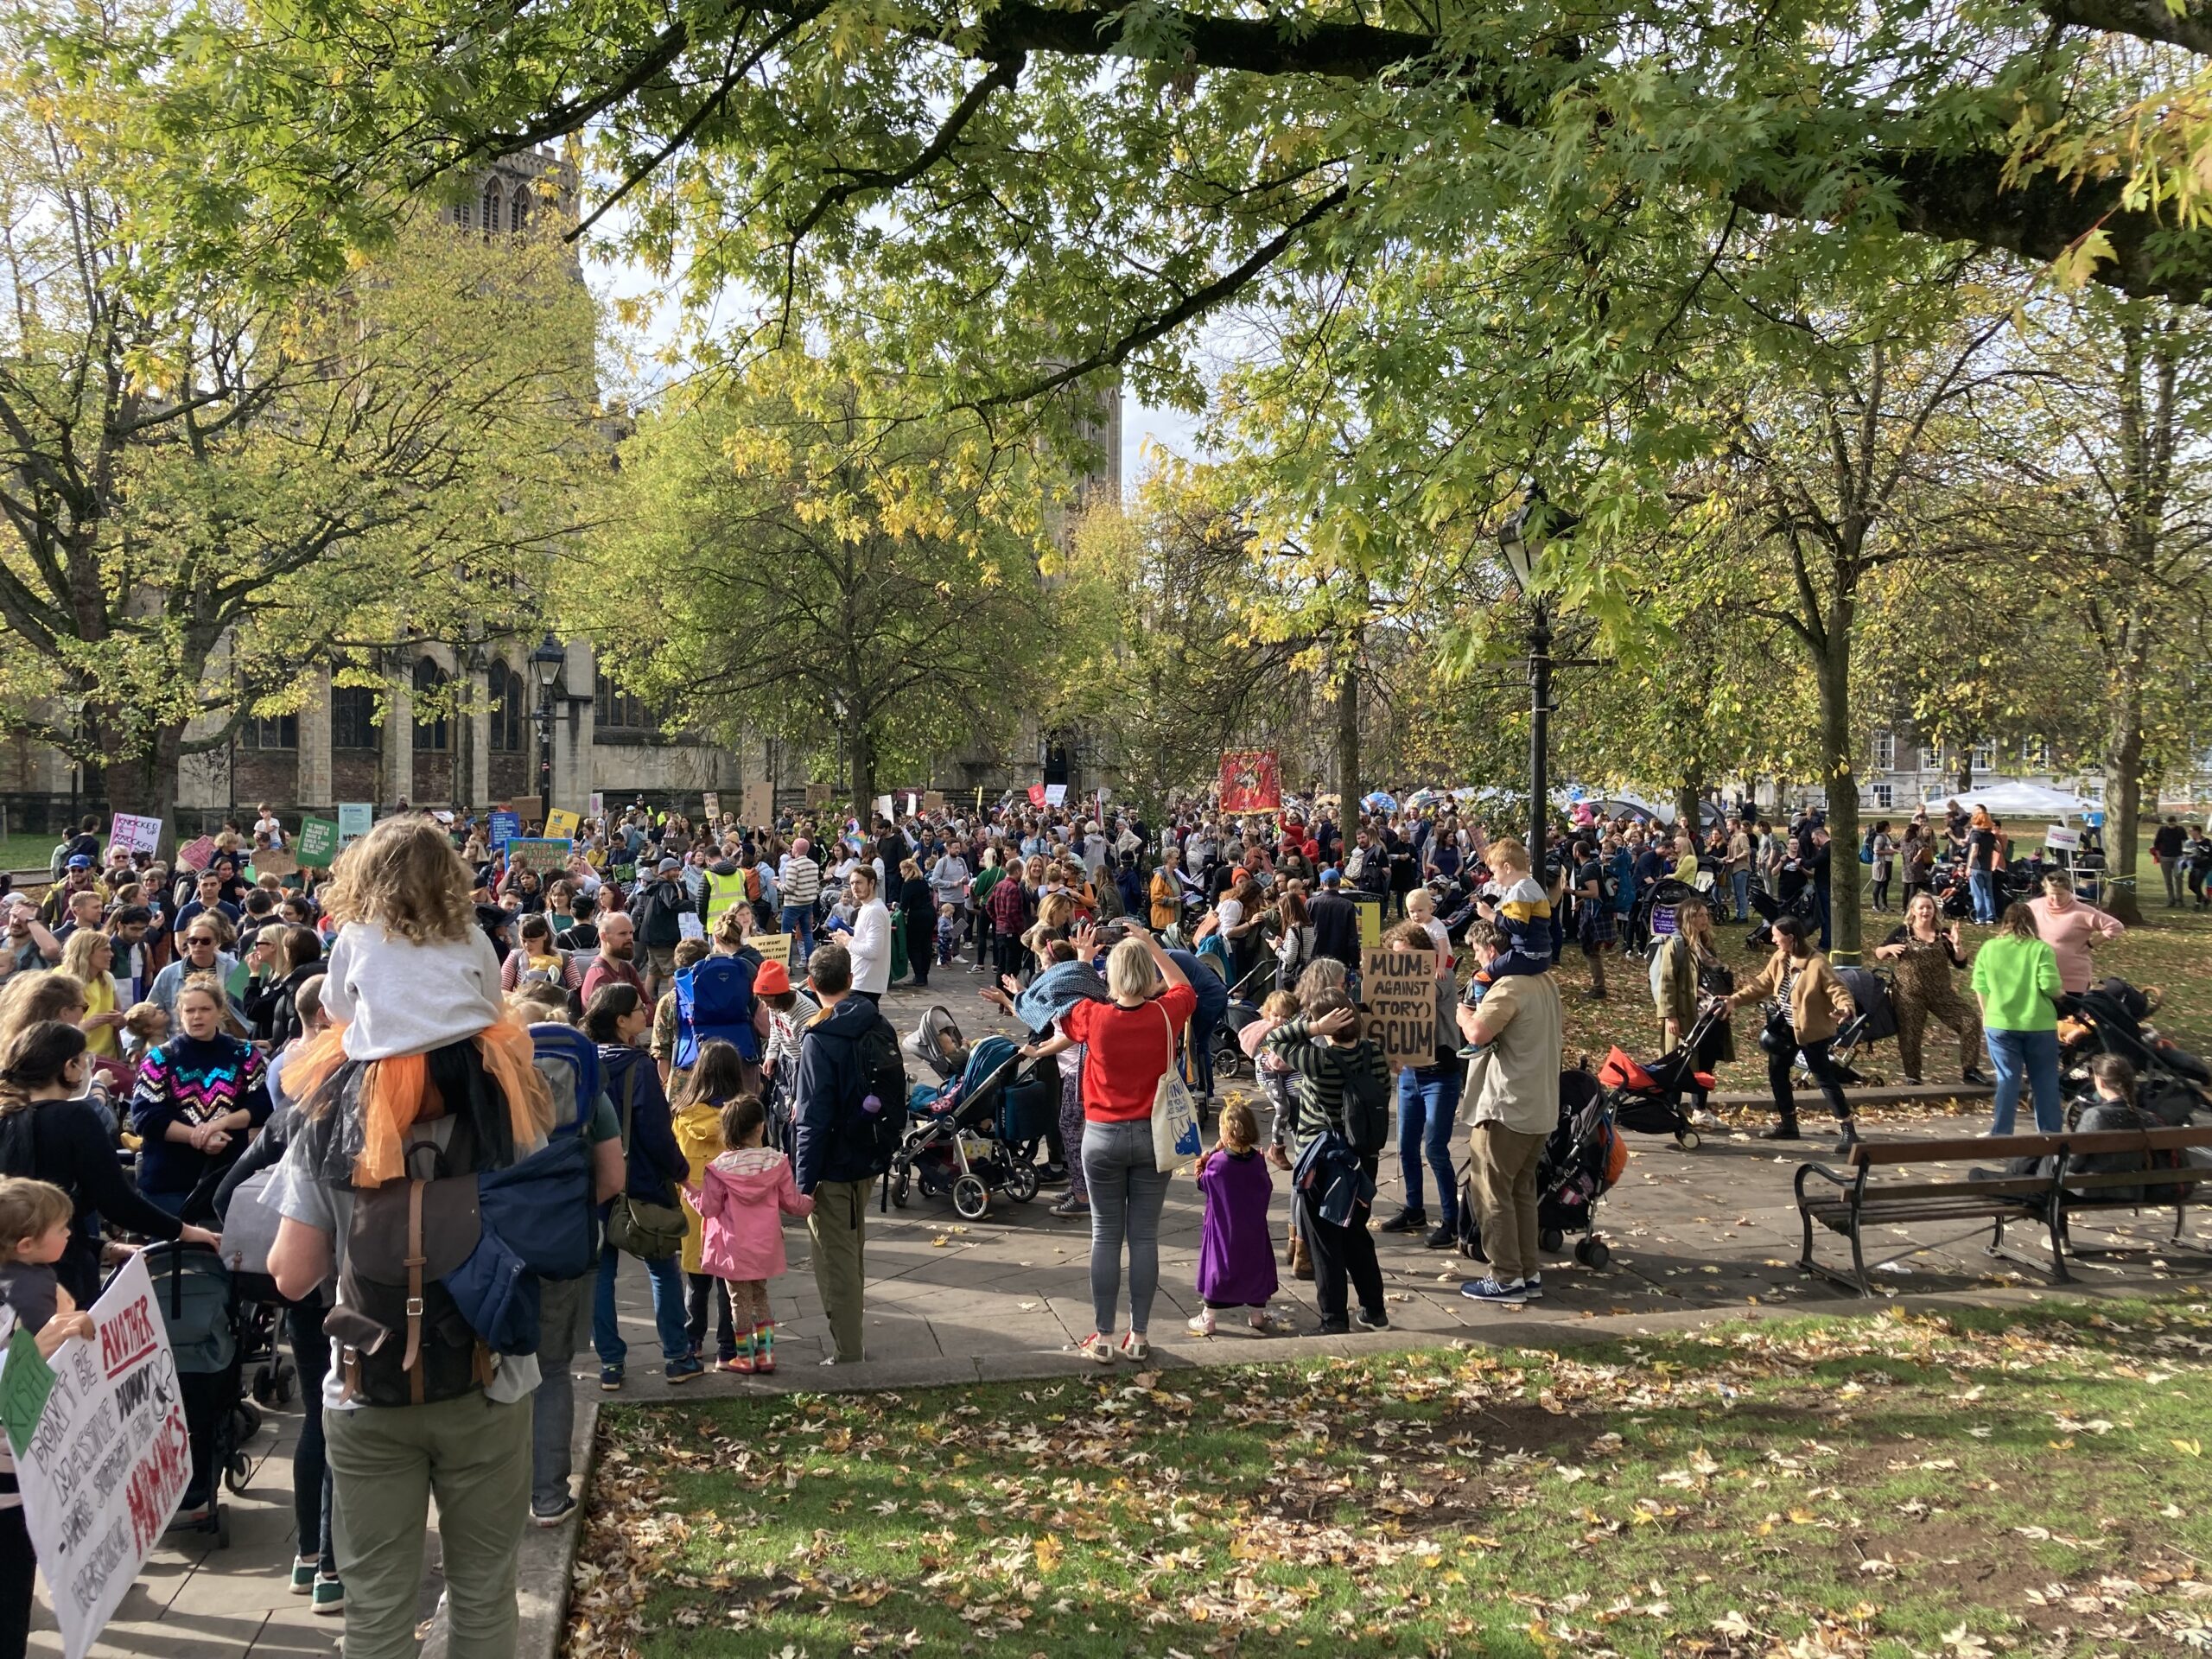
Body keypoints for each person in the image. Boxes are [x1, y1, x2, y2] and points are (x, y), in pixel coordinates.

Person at [264, 814, 556, 1659]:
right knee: (484, 1601)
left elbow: (292, 1274)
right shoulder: (478, 958)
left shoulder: (330, 1103)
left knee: (378, 1616)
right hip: (488, 1377)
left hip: (370, 1383)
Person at [1018, 926, 1194, 1363]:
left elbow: (1042, 1000)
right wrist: (1153, 945)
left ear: (1111, 976)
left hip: (1102, 1137)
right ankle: (1140, 1335)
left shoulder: (1092, 1016)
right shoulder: (1166, 1015)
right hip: (1153, 1137)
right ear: (1148, 975)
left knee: (1105, 1236)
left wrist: (1079, 959)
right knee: (1145, 1238)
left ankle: (1103, 1336)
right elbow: (1183, 985)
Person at [0, 1021, 213, 1305]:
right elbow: (117, 1202)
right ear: (68, 1067)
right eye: (83, 1060)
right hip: (60, 1281)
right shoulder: (75, 1117)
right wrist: (185, 1231)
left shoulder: (8, 1117)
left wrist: (101, 1247)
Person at [583, 982, 702, 1387]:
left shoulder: (583, 1062)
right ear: (621, 1021)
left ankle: (611, 1364)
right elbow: (656, 1132)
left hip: (595, 1184)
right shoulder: (638, 1066)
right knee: (663, 1269)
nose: (646, 1010)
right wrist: (682, 1172)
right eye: (638, 1008)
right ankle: (676, 1356)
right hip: (642, 1184)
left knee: (600, 1276)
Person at [0, 1177, 99, 1659]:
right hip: (10, 1479)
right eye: (62, 1228)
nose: (69, 1235)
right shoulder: (33, 1294)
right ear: (25, 1245)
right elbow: (29, 1386)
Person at [790, 942, 900, 1364]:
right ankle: (852, 1340)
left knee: (834, 1257)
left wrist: (803, 1181)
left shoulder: (819, 1038)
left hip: (832, 1163)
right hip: (868, 1150)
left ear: (812, 984)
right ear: (852, 980)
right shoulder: (878, 1022)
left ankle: (848, 1351)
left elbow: (812, 1117)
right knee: (853, 1246)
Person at [1266, 984, 1390, 1332]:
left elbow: (1275, 1039)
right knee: (1356, 1235)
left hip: (1322, 1162)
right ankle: (1374, 1310)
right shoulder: (1374, 1055)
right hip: (1363, 1158)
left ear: (1327, 1025)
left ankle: (1334, 1318)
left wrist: (1312, 1030)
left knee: (1324, 1241)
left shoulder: (1318, 1061)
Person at [1455, 922, 1566, 1306]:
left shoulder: (1510, 986)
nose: (1475, 960)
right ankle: (1526, 1272)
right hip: (1539, 1105)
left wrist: (1463, 1014)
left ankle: (1504, 1276)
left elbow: (1477, 1034)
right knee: (1522, 1190)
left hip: (1506, 1107)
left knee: (1491, 1192)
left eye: (1477, 951)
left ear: (1492, 950)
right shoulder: (1545, 982)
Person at [687, 1090, 812, 1374]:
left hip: (734, 1249)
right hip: (765, 1245)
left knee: (739, 1300)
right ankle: (766, 1355)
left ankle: (744, 1356)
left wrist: (688, 1189)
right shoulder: (776, 1162)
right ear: (759, 1127)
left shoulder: (719, 1169)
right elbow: (793, 1203)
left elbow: (708, 1208)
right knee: (761, 1296)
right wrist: (811, 1200)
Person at [130, 978, 271, 1220]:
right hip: (168, 1178)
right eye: (190, 1010)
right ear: (180, 1014)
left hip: (226, 1176)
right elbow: (146, 1118)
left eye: (205, 1009)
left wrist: (221, 1124)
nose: (197, 1016)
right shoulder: (159, 1058)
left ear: (220, 1011)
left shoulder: (244, 1053)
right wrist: (197, 1137)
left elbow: (261, 1105)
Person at [1719, 914, 1857, 1151]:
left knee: (1823, 1077)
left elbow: (1837, 988)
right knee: (1777, 1072)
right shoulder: (1780, 958)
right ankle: (1788, 1123)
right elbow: (1762, 984)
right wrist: (1733, 1001)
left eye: (1777, 937)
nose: (1773, 941)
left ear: (1791, 938)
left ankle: (1848, 1129)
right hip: (1785, 1028)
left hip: (1812, 1031)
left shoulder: (1817, 963)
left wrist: (1845, 1007)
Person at [1376, 923, 1464, 1249]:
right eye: (1396, 958)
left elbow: (1424, 992)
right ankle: (1414, 1210)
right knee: (1405, 1147)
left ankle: (1451, 1220)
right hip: (1411, 1074)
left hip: (1440, 1073)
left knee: (1436, 1149)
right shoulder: (1400, 980)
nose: (1402, 964)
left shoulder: (1442, 978)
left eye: (1407, 957)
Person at [672, 1038, 749, 1370]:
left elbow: (674, 1162)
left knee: (696, 1279)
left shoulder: (682, 1115)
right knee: (727, 1283)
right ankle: (727, 1348)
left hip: (694, 1206)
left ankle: (692, 1342)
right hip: (732, 1210)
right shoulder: (743, 1115)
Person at [1185, 1099, 1285, 1337]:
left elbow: (1203, 1182)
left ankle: (1208, 1316)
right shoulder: (1257, 1162)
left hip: (1223, 1229)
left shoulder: (1219, 1164)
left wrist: (1203, 1160)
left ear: (1226, 1134)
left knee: (1219, 1265)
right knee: (1254, 1265)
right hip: (1253, 1229)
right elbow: (1266, 1188)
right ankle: (1257, 1314)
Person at [1971, 901, 2064, 1135]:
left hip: (2000, 1021)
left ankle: (2002, 1132)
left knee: (2007, 1079)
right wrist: (2061, 994)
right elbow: (2049, 985)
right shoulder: (2040, 949)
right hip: (2038, 1022)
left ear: (2006, 922)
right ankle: (2050, 1133)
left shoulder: (1989, 948)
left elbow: (1980, 986)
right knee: (2045, 1081)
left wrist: (1986, 1015)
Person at [1875, 893, 1986, 1087]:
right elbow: (1879, 953)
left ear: (1935, 910)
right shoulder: (1902, 932)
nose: (1925, 911)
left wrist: (1957, 945)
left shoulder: (1943, 934)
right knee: (1910, 1036)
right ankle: (1913, 1078)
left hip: (1941, 993)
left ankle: (1970, 1070)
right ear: (1913, 911)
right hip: (1909, 994)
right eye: (1921, 907)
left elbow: (1961, 964)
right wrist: (1888, 949)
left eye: (1929, 907)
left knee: (1970, 1021)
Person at [1652, 898, 1733, 1120]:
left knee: (1706, 1062)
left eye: (1706, 915)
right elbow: (1667, 982)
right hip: (1686, 1016)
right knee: (1680, 1063)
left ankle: (1700, 1109)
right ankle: (1672, 1110)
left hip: (1710, 1016)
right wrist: (1670, 1015)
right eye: (1699, 915)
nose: (1704, 919)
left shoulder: (1706, 945)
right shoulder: (1676, 945)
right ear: (1688, 918)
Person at [2026, 871, 2124, 998]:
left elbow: (2115, 926)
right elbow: (2016, 921)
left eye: (2060, 894)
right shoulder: (2034, 906)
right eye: (2051, 894)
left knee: (2068, 1017)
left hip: (2070, 979)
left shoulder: (2082, 912)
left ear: (2070, 891)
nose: (2055, 898)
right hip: (2037, 976)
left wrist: (2090, 944)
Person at [1478, 837, 1553, 977]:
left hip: (1527, 955)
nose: (1494, 878)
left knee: (1482, 977)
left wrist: (1489, 915)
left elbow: (1518, 926)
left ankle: (1481, 1000)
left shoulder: (1519, 891)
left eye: (1494, 872)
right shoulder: (1532, 886)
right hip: (1542, 953)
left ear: (1507, 867)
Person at [580, 909, 643, 1001]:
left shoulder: (627, 968)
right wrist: (641, 1010)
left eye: (631, 933)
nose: (629, 938)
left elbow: (649, 1004)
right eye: (622, 934)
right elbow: (617, 1016)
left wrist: (642, 1010)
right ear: (604, 936)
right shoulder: (600, 977)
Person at [778, 837, 823, 959]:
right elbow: (816, 885)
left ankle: (787, 965)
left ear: (796, 849)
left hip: (792, 904)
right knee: (807, 933)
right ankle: (810, 962)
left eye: (792, 846)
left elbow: (789, 887)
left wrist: (778, 885)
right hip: (808, 903)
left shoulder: (792, 865)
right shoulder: (814, 865)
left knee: (786, 934)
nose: (791, 849)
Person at [897, 857, 935, 989]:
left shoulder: (908, 885)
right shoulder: (922, 881)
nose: (900, 872)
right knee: (926, 945)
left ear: (907, 870)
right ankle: (924, 975)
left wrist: (895, 908)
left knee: (913, 946)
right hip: (930, 914)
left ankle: (919, 976)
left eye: (901, 870)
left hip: (917, 916)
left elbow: (903, 907)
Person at [1966, 808, 2001, 925]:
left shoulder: (1975, 835)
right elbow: (1999, 849)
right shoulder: (1990, 836)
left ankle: (1981, 918)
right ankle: (1991, 917)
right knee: (1988, 894)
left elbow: (1974, 850)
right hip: (1988, 868)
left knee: (1977, 894)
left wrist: (1969, 866)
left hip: (1977, 867)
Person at [2153, 816, 2189, 908]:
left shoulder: (2180, 830)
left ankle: (2179, 899)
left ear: (2176, 823)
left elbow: (2185, 842)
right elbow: (2157, 843)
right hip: (2165, 857)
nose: (2171, 826)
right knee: (2168, 879)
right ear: (2167, 823)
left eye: (2173, 824)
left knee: (2178, 878)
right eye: (2169, 824)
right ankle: (2171, 899)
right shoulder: (2162, 830)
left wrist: (2185, 855)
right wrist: (2158, 855)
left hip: (2178, 857)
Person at [1868, 821, 1895, 913]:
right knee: (1879, 883)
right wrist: (1889, 852)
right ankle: (1875, 905)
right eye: (1889, 826)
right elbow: (1876, 851)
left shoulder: (1887, 837)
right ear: (1886, 827)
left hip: (1888, 862)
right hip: (1881, 863)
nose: (1890, 827)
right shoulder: (1880, 838)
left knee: (1885, 884)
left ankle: (1884, 905)